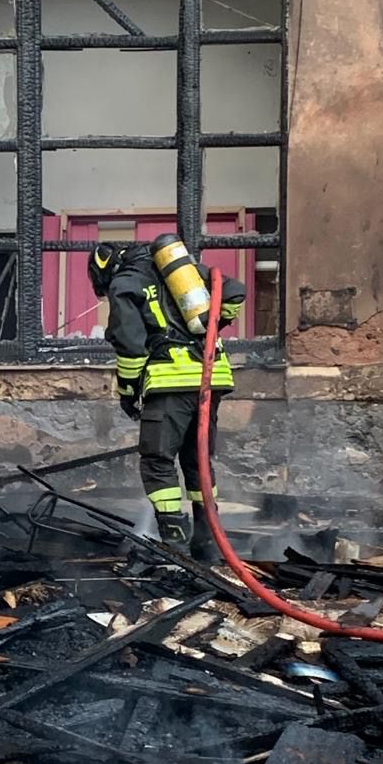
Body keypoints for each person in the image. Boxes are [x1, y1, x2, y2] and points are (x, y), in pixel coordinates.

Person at [88, 238, 246, 560]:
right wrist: (212, 327)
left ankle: (174, 545)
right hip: (210, 378)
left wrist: (128, 393)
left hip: (169, 382)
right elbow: (234, 294)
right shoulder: (183, 272)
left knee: (158, 461)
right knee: (197, 459)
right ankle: (208, 543)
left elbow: (130, 347)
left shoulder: (125, 283)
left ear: (104, 267)